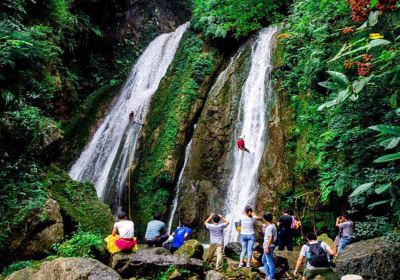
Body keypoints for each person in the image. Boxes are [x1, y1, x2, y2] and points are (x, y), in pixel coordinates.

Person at [263, 213, 277, 280]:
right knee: (264, 260)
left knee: (269, 262)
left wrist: (266, 247)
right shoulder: (273, 225)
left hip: (268, 246)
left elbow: (270, 237)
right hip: (271, 245)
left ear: (265, 219)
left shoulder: (269, 227)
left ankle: (271, 277)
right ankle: (267, 275)